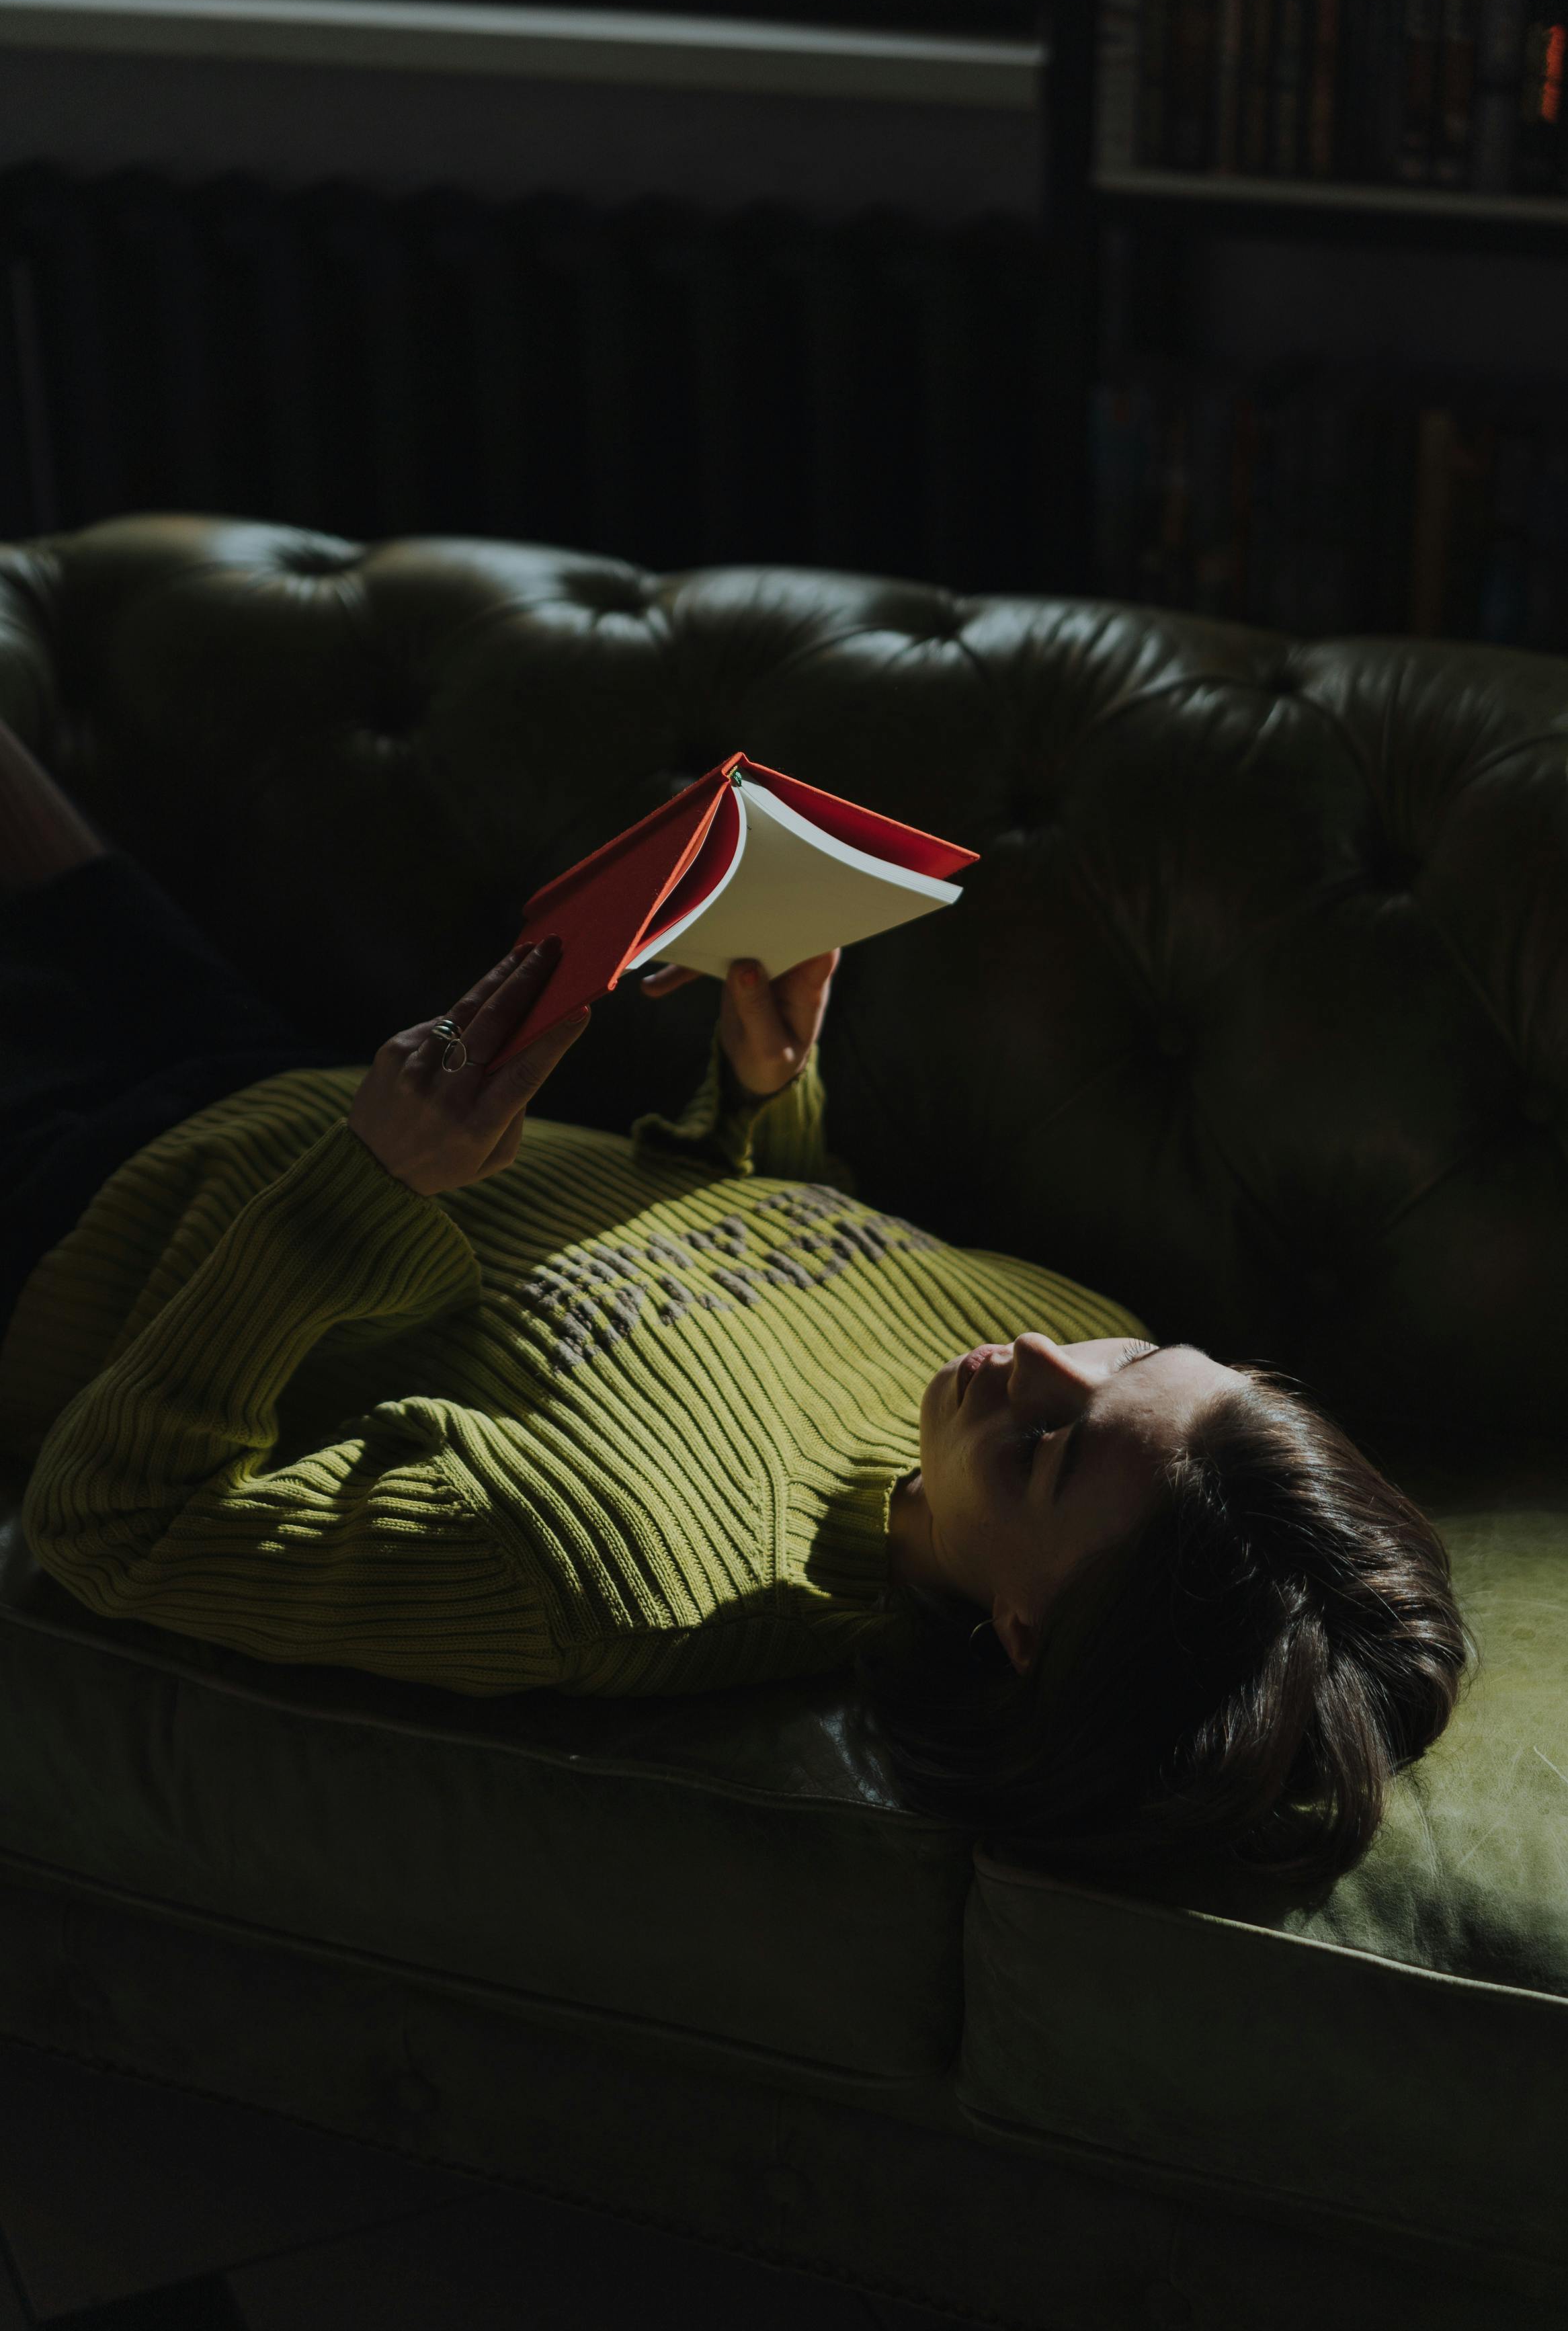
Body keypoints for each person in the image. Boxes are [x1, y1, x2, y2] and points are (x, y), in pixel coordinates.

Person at [0, 719, 1468, 1895]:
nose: (1038, 1356)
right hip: (296, 1084)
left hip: (75, 1215)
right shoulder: (1050, 1326)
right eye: (1136, 1357)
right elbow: (717, 1289)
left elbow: (109, 1522)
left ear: (1022, 1633)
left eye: (1050, 1448)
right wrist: (763, 1102)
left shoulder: (603, 1576)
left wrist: (362, 1192)